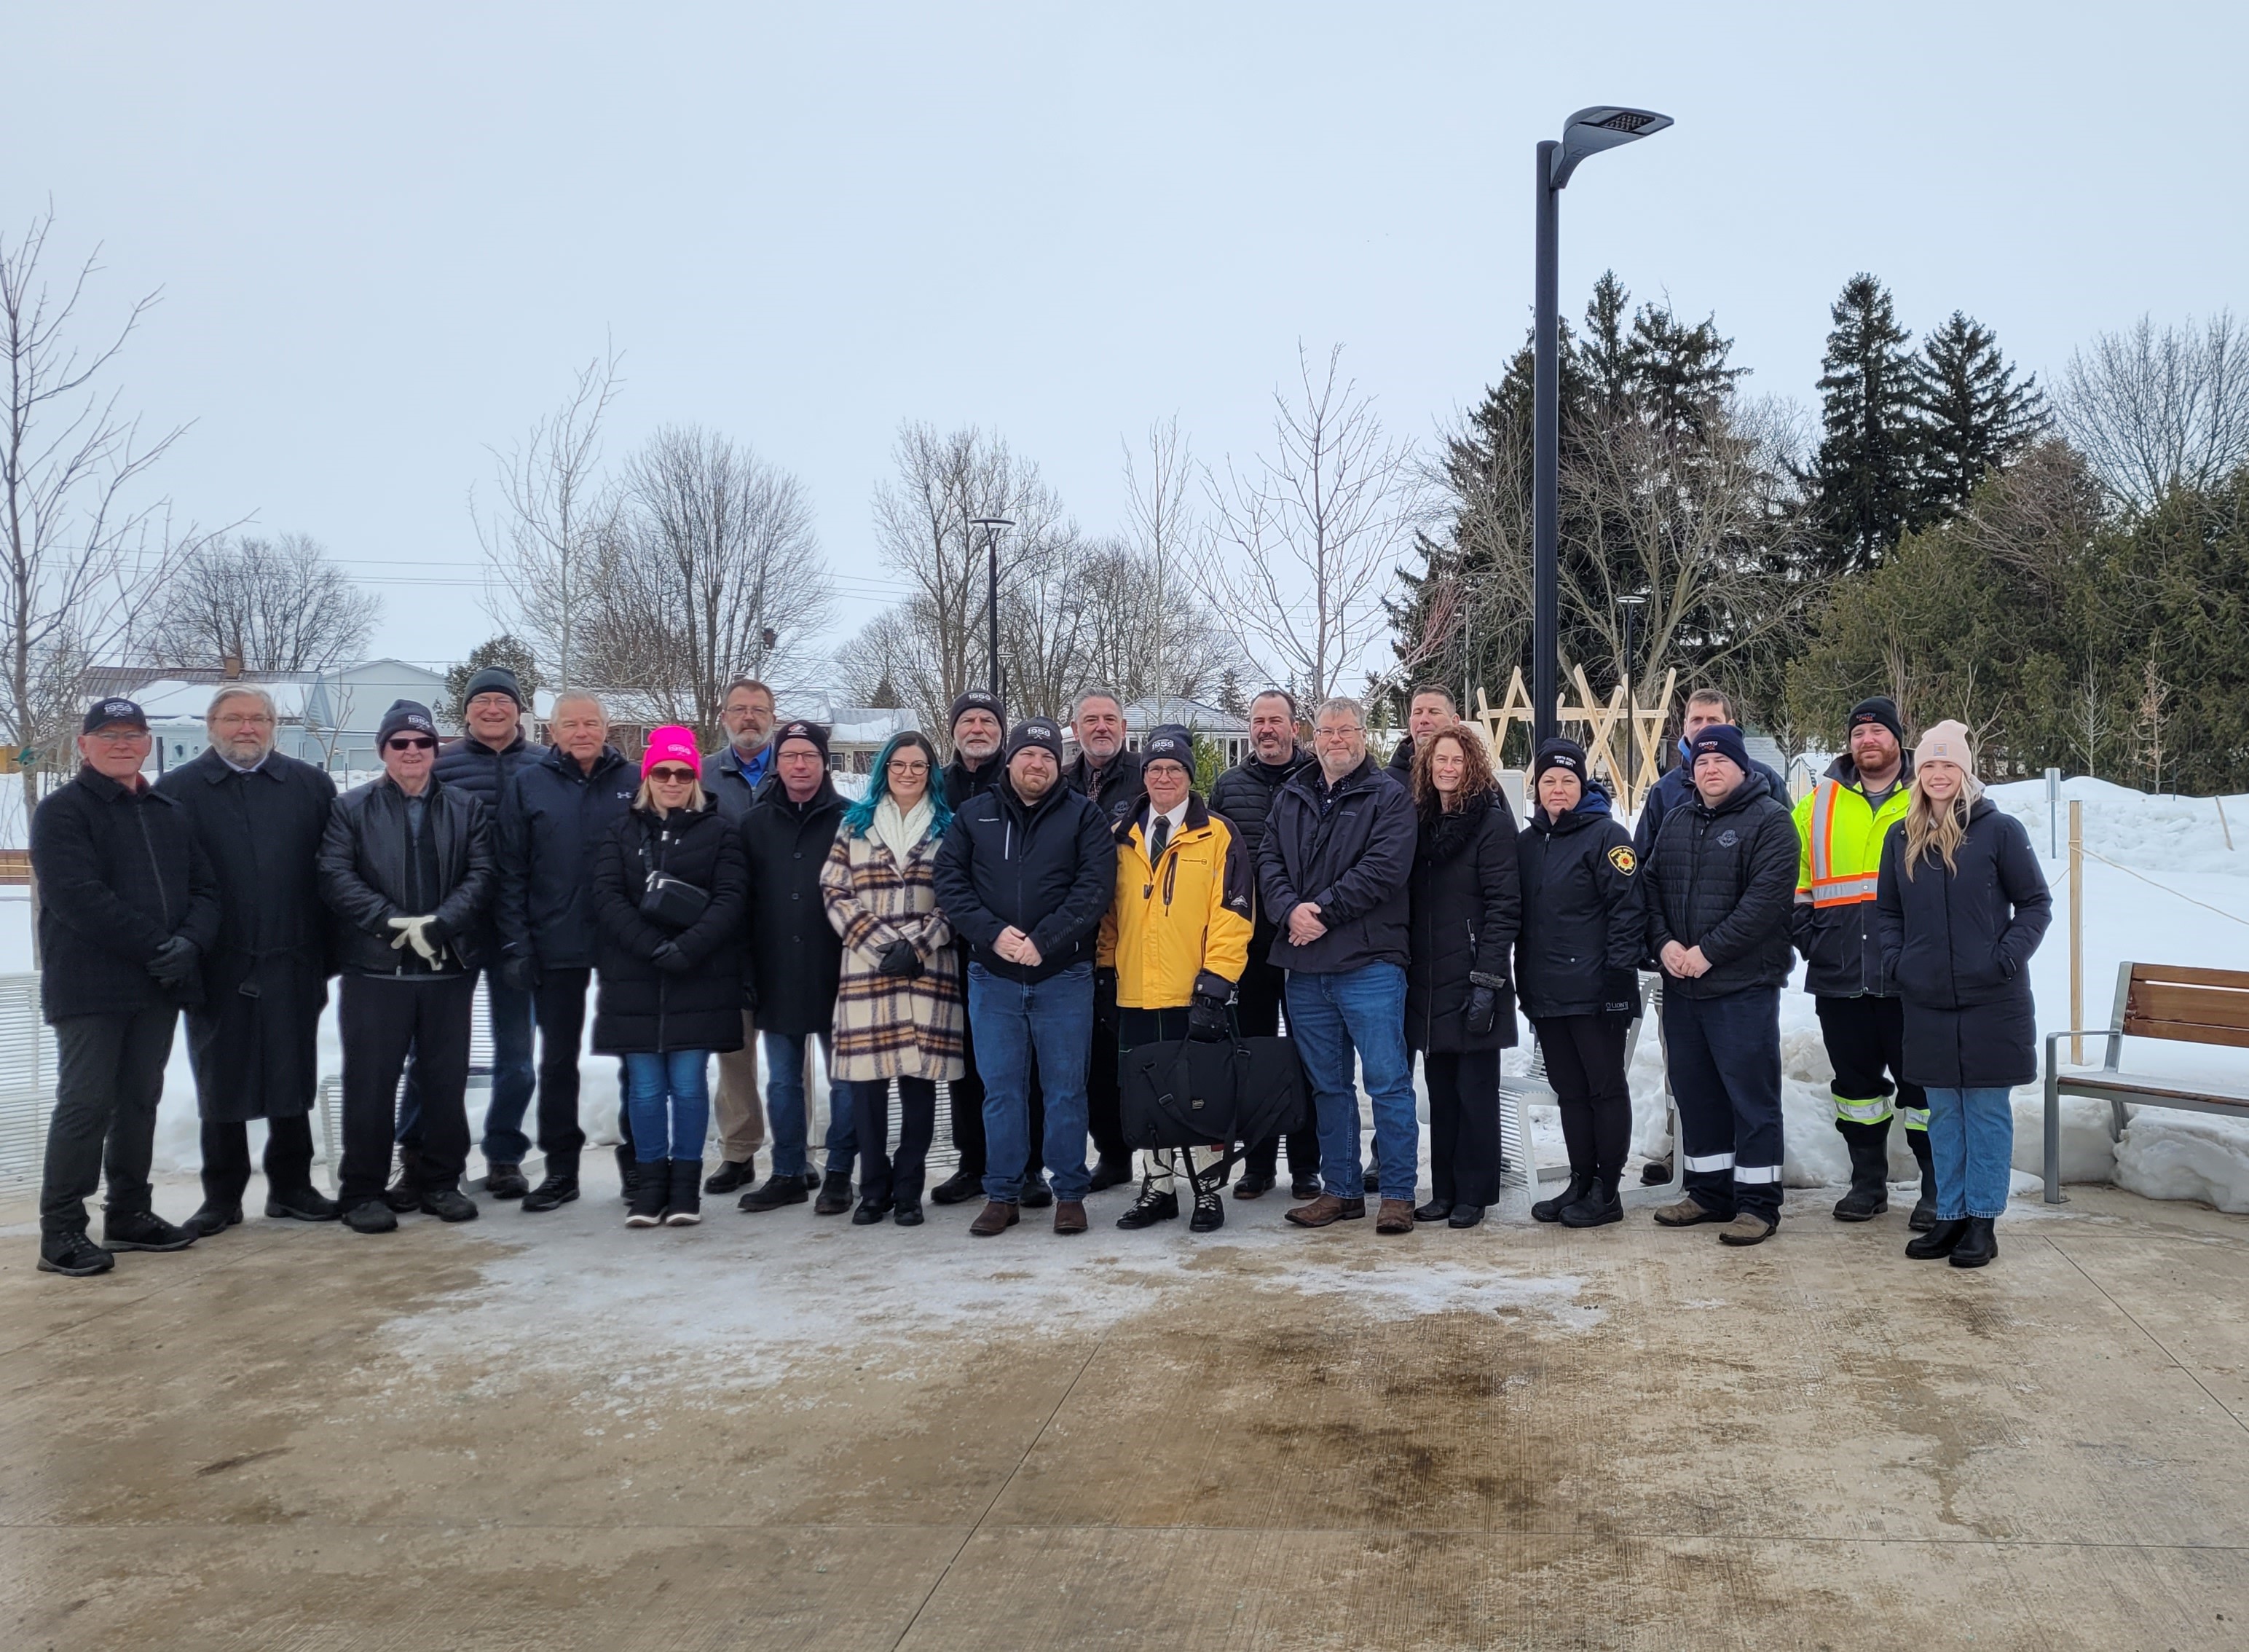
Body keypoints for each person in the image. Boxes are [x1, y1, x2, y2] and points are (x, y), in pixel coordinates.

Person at [31, 699, 220, 1277]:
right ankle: (61, 1230)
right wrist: (159, 947)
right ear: (83, 746)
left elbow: (206, 890)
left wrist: (189, 943)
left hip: (158, 986)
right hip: (92, 986)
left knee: (140, 1101)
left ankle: (130, 1213)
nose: (122, 743)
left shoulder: (169, 810)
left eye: (133, 734)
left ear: (148, 744)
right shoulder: (63, 812)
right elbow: (77, 898)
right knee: (87, 1104)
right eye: (107, 734)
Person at [157, 686, 340, 1235]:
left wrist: (325, 955)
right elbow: (171, 883)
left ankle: (291, 1187)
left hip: (293, 956)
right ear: (211, 725)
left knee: (292, 1070)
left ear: (273, 726)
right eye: (233, 718)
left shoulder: (309, 785)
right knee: (222, 1077)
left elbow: (331, 875)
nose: (246, 728)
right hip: (218, 962)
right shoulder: (177, 791)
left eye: (257, 718)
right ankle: (222, 1196)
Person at [1877, 721, 2051, 1269]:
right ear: (1918, 773)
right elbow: (1887, 912)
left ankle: (1982, 1221)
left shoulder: (1999, 830)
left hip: (1990, 999)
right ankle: (1948, 1217)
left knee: (1985, 1113)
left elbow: (2036, 904)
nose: (1938, 775)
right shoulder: (1901, 836)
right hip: (1926, 998)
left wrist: (2003, 957)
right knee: (1942, 1114)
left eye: (1948, 765)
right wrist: (1899, 962)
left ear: (1965, 771)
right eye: (1929, 766)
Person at [933, 715, 1115, 1238]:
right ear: (1010, 759)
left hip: (1063, 976)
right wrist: (992, 934)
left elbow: (1094, 887)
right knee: (1002, 1090)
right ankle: (1002, 1192)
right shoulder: (974, 816)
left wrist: (1045, 941)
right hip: (993, 978)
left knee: (1064, 1090)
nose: (1037, 764)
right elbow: (950, 881)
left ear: (1058, 764)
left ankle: (1070, 1193)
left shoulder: (1084, 817)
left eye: (1047, 756)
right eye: (1027, 755)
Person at [319, 700, 495, 1234]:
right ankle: (362, 1191)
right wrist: (391, 922)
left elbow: (483, 872)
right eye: (401, 744)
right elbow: (334, 873)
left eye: (423, 743)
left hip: (446, 966)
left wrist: (441, 922)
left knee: (443, 1080)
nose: (413, 752)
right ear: (383, 751)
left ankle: (440, 1181)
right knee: (371, 1082)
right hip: (376, 968)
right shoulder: (350, 809)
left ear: (436, 751)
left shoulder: (467, 808)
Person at [1260, 697, 1419, 1235]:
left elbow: (1384, 870)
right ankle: (1342, 1190)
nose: (1336, 740)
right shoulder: (1292, 794)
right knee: (1328, 1087)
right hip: (1306, 970)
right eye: (1327, 731)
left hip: (1369, 964)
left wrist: (1322, 913)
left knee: (1388, 1083)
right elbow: (1268, 861)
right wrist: (1287, 910)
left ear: (1363, 735)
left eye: (1346, 730)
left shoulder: (1390, 798)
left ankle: (1397, 1193)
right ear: (1314, 737)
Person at [1643, 723, 1799, 1247]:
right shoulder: (1678, 819)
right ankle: (1709, 1192)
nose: (1710, 770)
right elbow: (1650, 888)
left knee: (1751, 1098)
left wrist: (1707, 953)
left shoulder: (1772, 822)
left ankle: (1758, 1204)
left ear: (1742, 767)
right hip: (1684, 987)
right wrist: (1665, 945)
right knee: (1697, 1094)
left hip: (1743, 986)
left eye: (1721, 762)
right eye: (1702, 763)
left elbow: (1764, 903)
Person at [590, 727, 749, 1227]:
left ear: (696, 778)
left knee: (686, 1085)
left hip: (698, 976)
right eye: (663, 771)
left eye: (683, 772)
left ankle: (685, 1189)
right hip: (634, 976)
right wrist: (651, 946)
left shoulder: (719, 830)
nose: (673, 780)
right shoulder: (620, 831)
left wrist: (687, 947)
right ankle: (648, 1186)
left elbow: (731, 898)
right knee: (642, 1088)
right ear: (648, 777)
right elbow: (607, 898)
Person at [1100, 724, 1254, 1233]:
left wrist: (1217, 980)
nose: (1164, 777)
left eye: (1174, 769)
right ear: (1144, 777)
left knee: (1204, 1094)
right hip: (1138, 993)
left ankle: (1207, 1190)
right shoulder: (1122, 834)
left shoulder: (1218, 834)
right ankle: (1159, 1187)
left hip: (1198, 992)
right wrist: (1106, 972)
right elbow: (1109, 915)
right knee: (1147, 1095)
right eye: (1155, 769)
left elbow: (1233, 913)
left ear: (1189, 775)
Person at [492, 691, 638, 1213]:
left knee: (633, 1057)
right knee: (557, 1061)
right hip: (554, 942)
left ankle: (638, 1164)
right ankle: (561, 1170)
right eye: (571, 724)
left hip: (625, 942)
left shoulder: (633, 781)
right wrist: (516, 941)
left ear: (607, 727)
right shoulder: (528, 784)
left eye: (591, 723)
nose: (582, 732)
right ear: (552, 732)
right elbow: (509, 870)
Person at [1792, 696, 1931, 1227]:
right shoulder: (1818, 802)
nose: (1867, 740)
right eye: (1858, 733)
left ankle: (1934, 1187)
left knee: (1922, 1089)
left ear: (1898, 737)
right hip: (1840, 970)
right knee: (1855, 1091)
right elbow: (1793, 880)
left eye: (1878, 731)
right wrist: (1814, 941)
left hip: (1910, 978)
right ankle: (1867, 1183)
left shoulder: (1929, 792)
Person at [822, 731, 965, 1227]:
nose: (908, 774)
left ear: (931, 773)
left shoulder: (949, 829)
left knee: (920, 1086)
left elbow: (958, 899)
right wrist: (882, 945)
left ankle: (908, 1189)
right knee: (867, 1090)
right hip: (868, 967)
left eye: (919, 766)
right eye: (899, 765)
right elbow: (835, 892)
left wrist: (919, 943)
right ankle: (872, 1189)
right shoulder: (854, 826)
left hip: (926, 968)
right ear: (885, 769)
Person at [408, 664, 538, 1199]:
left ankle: (504, 1155)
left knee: (518, 1056)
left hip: (518, 932)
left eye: (502, 701)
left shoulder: (543, 764)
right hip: (453, 927)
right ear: (465, 710)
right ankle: (424, 1157)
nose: (492, 709)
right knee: (435, 1053)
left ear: (518, 709)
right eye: (481, 700)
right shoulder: (442, 765)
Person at [1516, 737, 1645, 1229]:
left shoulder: (1608, 837)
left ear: (1582, 785)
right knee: (1569, 1091)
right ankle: (1580, 1180)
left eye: (1568, 781)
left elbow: (1628, 911)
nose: (1557, 789)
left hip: (1596, 994)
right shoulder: (1527, 844)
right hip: (1547, 993)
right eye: (1549, 780)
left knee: (1603, 1089)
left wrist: (1617, 980)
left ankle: (1607, 1191)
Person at [929, 688, 1044, 1206]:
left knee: (1027, 1065)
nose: (978, 728)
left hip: (1022, 949)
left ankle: (1030, 1168)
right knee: (970, 1064)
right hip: (953, 945)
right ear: (954, 729)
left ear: (1002, 730)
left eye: (987, 720)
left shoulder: (1017, 781)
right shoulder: (939, 787)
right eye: (968, 720)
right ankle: (973, 1162)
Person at [1404, 722, 1521, 1230]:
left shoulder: (1491, 825)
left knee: (1476, 1094)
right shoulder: (1421, 823)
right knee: (1442, 1091)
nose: (1446, 769)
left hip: (1476, 975)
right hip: (1429, 978)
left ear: (1472, 766)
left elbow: (1505, 905)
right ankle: (1445, 1189)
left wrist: (1488, 980)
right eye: (1438, 762)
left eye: (1455, 761)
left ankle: (1474, 1193)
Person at [736, 720, 856, 1216]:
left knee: (845, 1078)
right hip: (776, 968)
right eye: (790, 756)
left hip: (839, 970)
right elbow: (740, 902)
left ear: (824, 762)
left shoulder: (852, 820)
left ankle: (840, 1174)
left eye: (809, 755)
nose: (800, 764)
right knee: (784, 1080)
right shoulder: (754, 823)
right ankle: (787, 1170)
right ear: (778, 762)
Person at [1208, 688, 1320, 1199]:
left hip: (1308, 942)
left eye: (1276, 720)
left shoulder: (1320, 779)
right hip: (1247, 949)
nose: (1266, 729)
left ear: (1294, 728)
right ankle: (1256, 1166)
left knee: (1308, 1055)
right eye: (1258, 721)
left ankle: (1306, 1166)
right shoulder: (1229, 787)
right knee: (1251, 1055)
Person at [1066, 688, 1146, 1192]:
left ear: (1122, 727)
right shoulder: (1062, 781)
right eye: (1090, 720)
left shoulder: (1146, 777)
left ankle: (1159, 1161)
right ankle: (1112, 1155)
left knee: (1137, 1056)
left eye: (1110, 719)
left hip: (1137, 936)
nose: (1101, 727)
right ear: (1075, 730)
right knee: (1092, 1060)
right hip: (1075, 941)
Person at [706, 677, 777, 1189]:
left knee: (792, 1048)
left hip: (789, 931)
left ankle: (796, 1149)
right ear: (724, 715)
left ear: (773, 715)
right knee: (734, 1049)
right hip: (727, 934)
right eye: (740, 710)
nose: (749, 718)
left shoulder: (798, 766)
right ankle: (739, 1149)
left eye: (758, 710)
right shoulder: (704, 777)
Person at [1386, 683, 1458, 783]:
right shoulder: (1386, 783)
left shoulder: (1472, 780)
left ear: (1454, 722)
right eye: (1418, 712)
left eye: (1434, 712)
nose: (1423, 720)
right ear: (1410, 721)